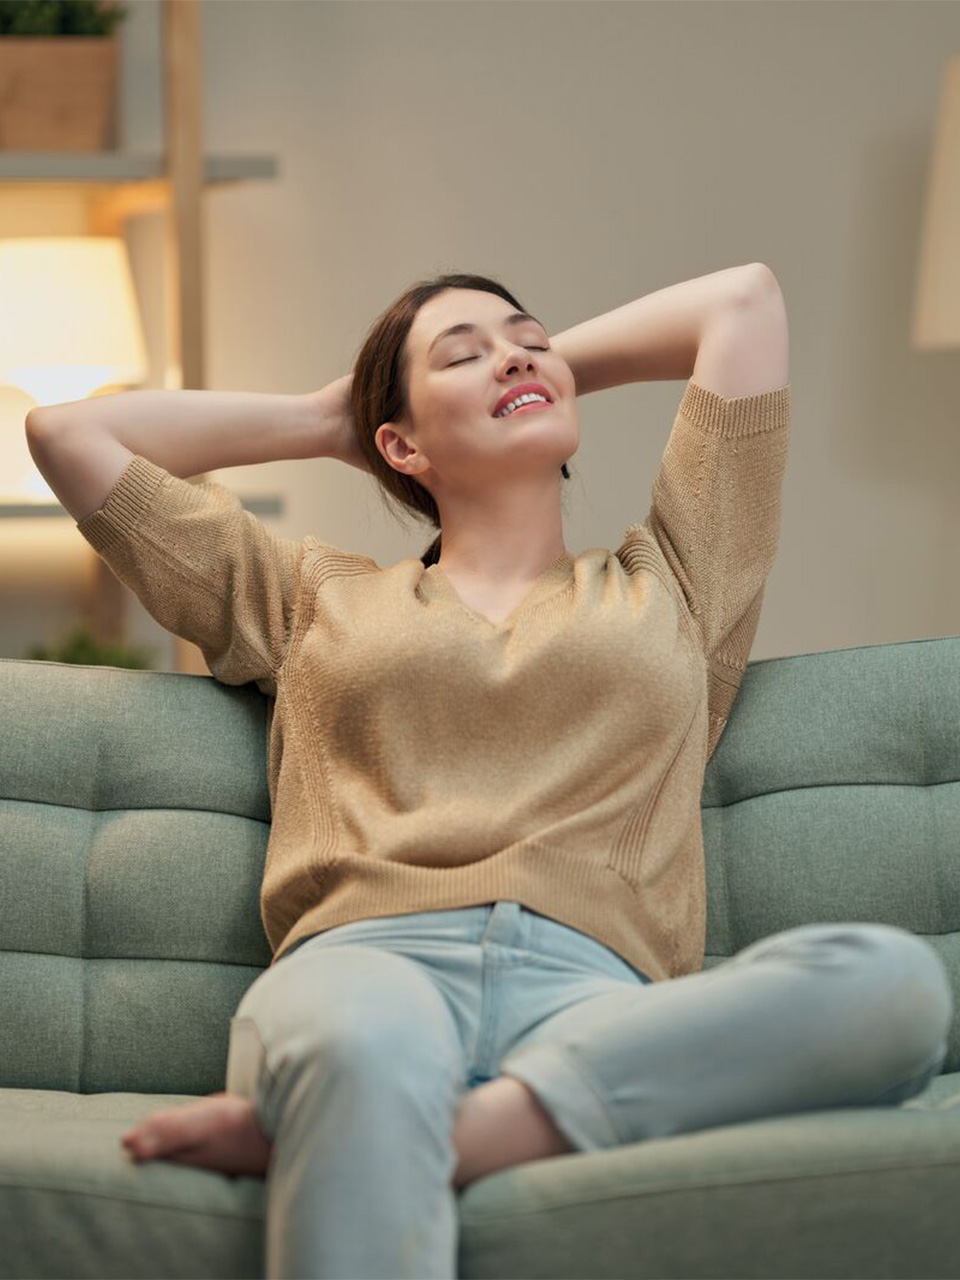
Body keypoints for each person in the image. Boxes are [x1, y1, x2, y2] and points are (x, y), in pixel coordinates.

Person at [26, 271, 953, 1280]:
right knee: (362, 1046)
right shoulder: (306, 600)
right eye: (463, 353)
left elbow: (743, 304)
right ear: (398, 446)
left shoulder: (678, 584)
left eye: (529, 339)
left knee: (895, 987)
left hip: (598, 1000)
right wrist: (333, 417)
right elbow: (70, 436)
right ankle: (368, 1105)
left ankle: (373, 1132)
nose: (512, 355)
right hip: (365, 971)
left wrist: (524, 375)